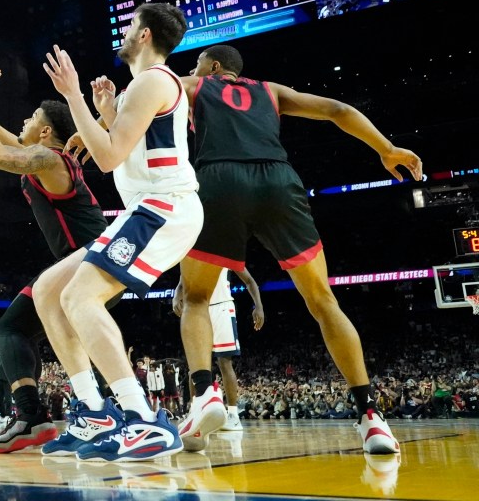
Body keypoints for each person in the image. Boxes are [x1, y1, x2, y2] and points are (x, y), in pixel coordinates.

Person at [173, 44, 420, 454]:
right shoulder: (272, 91)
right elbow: (338, 110)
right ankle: (371, 416)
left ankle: (204, 396)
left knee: (196, 297)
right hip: (277, 180)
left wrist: (101, 122)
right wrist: (385, 148)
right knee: (323, 301)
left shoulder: (195, 86)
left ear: (213, 67)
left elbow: (145, 95)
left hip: (218, 180)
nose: (191, 69)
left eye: (197, 63)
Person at [33, 3, 201, 462]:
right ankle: (94, 411)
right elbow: (127, 152)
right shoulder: (139, 89)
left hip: (166, 207)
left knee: (79, 298)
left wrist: (74, 98)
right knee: (50, 290)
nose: (124, 32)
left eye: (130, 26)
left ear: (144, 35)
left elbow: (106, 158)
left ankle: (144, 419)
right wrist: (107, 112)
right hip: (148, 208)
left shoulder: (153, 80)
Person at [0, 70, 110, 453]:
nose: (24, 122)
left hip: (89, 260)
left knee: (10, 328)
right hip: (90, 260)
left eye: (31, 119)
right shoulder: (48, 156)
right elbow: (7, 140)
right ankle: (55, 414)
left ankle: (35, 415)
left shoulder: (47, 159)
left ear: (45, 133)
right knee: (25, 331)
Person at [174, 267, 264, 431]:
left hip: (222, 309)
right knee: (195, 367)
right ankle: (195, 412)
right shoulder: (192, 253)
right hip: (198, 311)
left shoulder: (225, 252)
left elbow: (250, 281)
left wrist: (258, 306)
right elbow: (181, 283)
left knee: (225, 363)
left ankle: (233, 415)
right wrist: (175, 297)